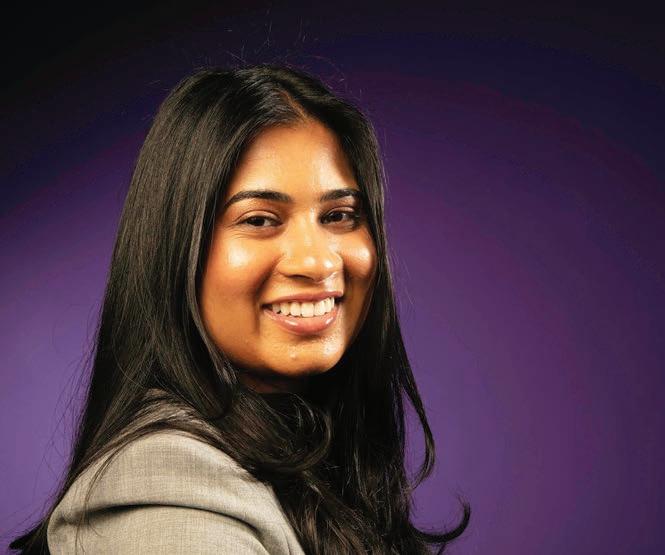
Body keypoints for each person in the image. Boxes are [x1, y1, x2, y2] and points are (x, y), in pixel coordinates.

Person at [9, 64, 470, 554]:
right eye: (260, 220)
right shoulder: (169, 491)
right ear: (177, 251)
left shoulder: (312, 457)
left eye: (339, 215)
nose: (317, 262)